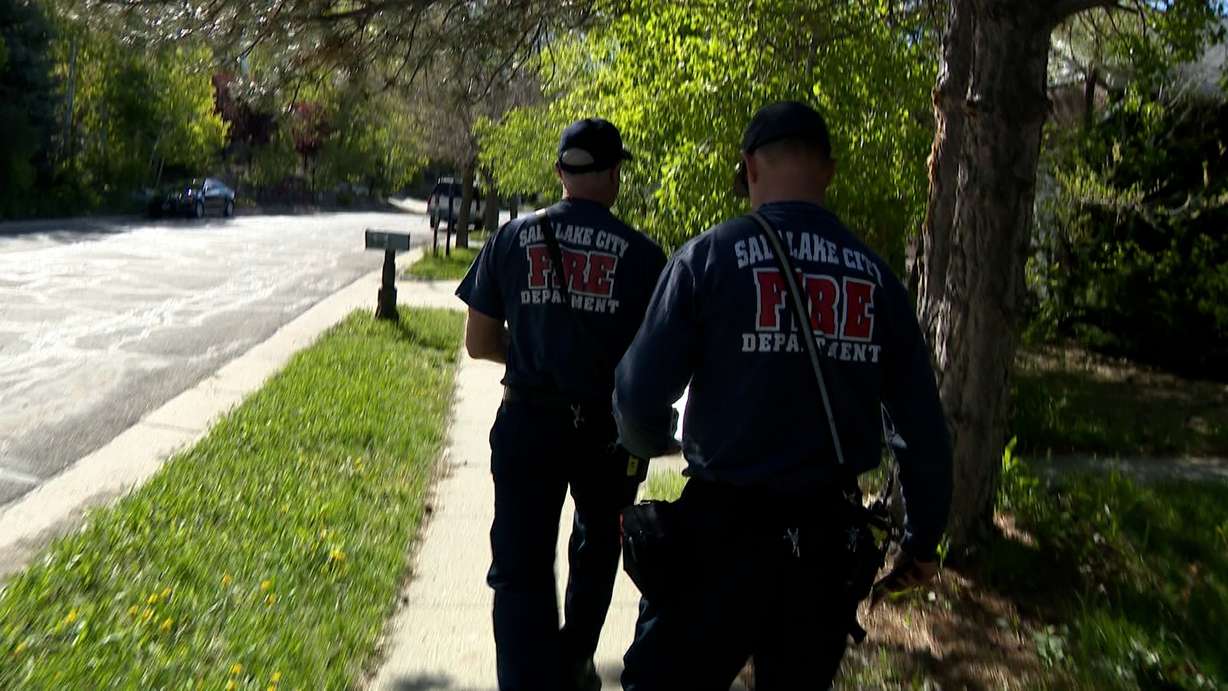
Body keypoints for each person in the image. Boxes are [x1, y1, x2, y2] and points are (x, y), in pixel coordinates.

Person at [612, 100, 954, 690]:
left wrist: (643, 449)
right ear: (829, 169)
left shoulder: (708, 258)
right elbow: (922, 429)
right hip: (826, 545)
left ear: (749, 167)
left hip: (719, 538)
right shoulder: (876, 279)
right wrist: (923, 543)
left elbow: (638, 395)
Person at [456, 117, 668, 691]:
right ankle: (575, 661)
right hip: (606, 428)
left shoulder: (511, 237)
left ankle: (525, 680)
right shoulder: (645, 258)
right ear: (614, 174)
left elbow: (477, 343)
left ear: (559, 172)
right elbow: (656, 363)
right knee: (598, 544)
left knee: (521, 565)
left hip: (527, 419)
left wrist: (529, 360)